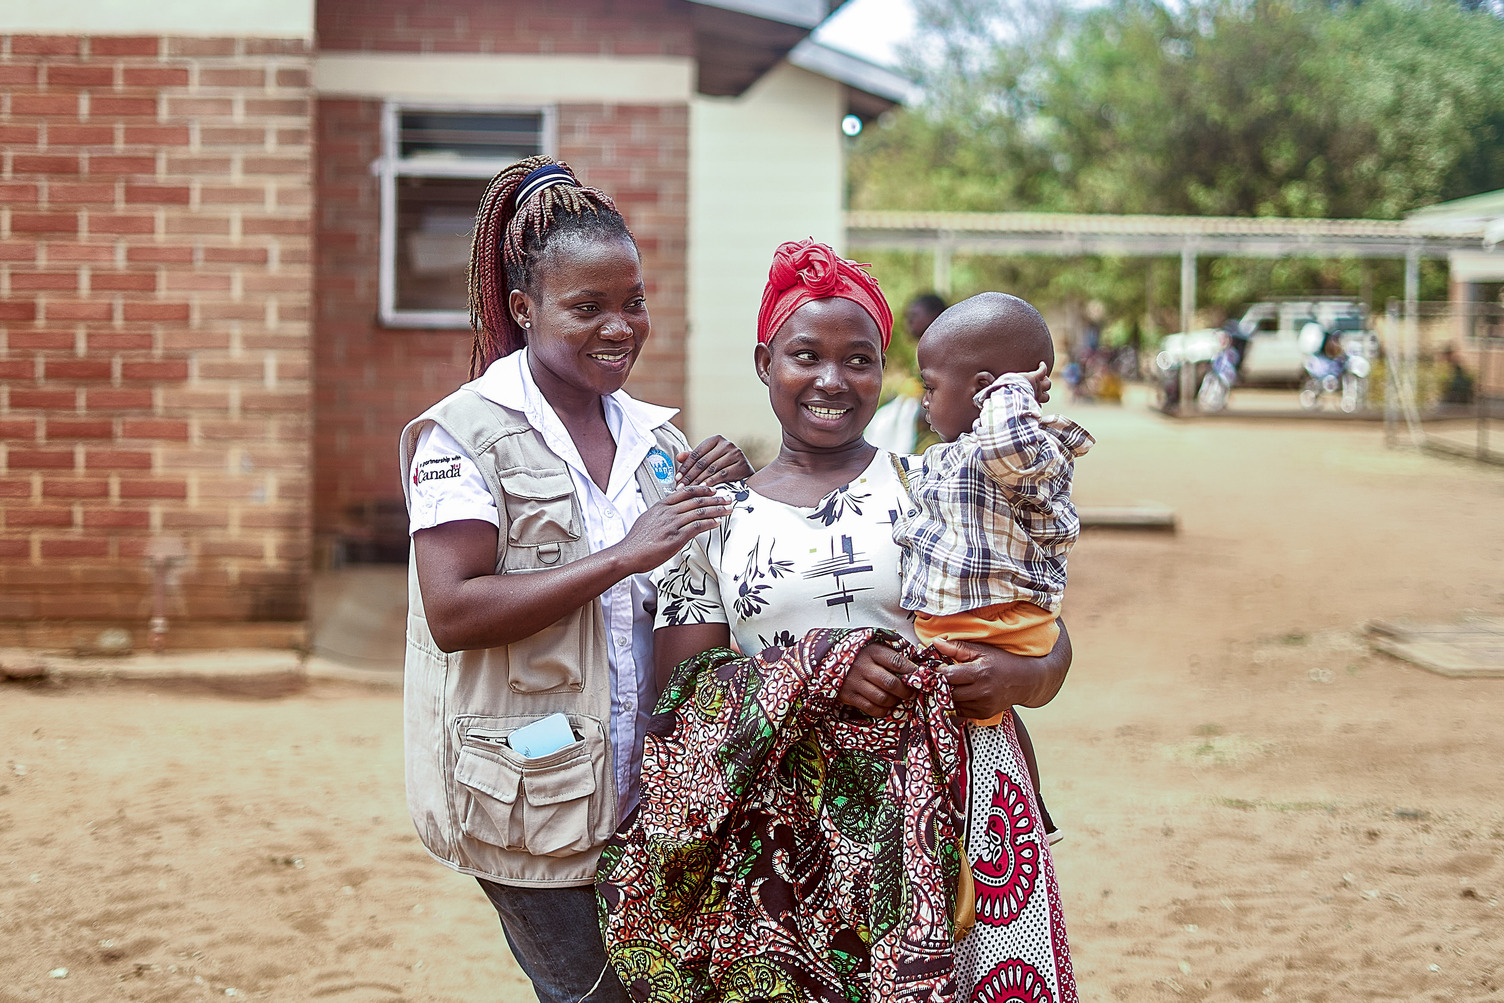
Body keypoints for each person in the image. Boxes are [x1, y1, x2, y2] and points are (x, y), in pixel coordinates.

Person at [653, 240, 1077, 1000]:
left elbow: (1038, 625)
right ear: (763, 362)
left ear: (887, 372)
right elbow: (680, 697)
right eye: (804, 354)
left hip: (956, 808)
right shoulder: (714, 522)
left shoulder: (940, 487)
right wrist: (818, 667)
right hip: (781, 834)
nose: (831, 379)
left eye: (859, 359)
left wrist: (1024, 674)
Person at [397, 156, 750, 1003]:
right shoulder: (465, 436)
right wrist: (625, 553)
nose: (619, 327)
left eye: (632, 302)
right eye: (586, 307)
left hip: (636, 793)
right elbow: (453, 609)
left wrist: (736, 499)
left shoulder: (656, 444)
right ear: (523, 310)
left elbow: (690, 608)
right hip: (528, 796)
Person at [899, 292, 1095, 842]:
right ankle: (1018, 813)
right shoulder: (954, 456)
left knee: (985, 730)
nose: (923, 403)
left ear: (983, 391)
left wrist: (1009, 394)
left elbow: (1005, 445)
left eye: (930, 389)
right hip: (968, 620)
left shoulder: (1022, 454)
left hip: (996, 619)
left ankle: (1025, 814)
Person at [864, 292, 947, 453]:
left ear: (935, 316)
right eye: (907, 316)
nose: (909, 321)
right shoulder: (921, 351)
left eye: (915, 315)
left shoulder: (942, 351)